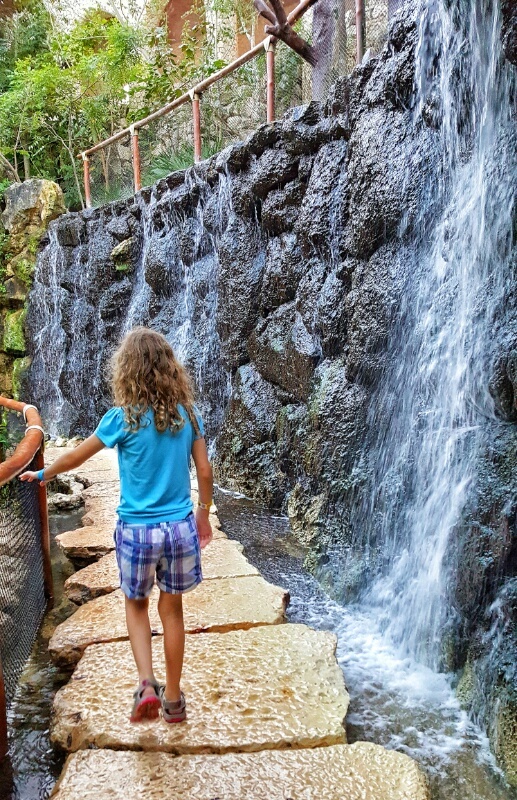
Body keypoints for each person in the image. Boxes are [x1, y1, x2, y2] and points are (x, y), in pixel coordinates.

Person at [21, 327, 213, 724]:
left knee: (136, 604)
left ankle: (146, 684)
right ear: (170, 368)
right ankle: (173, 701)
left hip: (137, 532)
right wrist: (203, 513)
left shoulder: (121, 419)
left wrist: (43, 475)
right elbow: (205, 471)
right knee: (172, 610)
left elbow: (75, 457)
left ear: (126, 371)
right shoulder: (187, 415)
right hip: (178, 529)